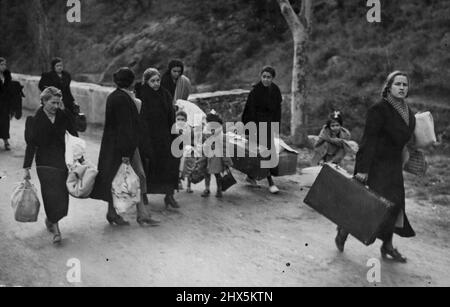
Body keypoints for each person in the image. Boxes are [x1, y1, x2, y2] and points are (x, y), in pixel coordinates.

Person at [335, 71, 416, 263]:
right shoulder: (379, 109)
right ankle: (344, 229)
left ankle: (387, 245)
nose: (402, 88)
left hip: (394, 167)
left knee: (395, 206)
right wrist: (362, 169)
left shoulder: (408, 112)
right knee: (370, 206)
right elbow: (368, 141)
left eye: (405, 84)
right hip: (375, 166)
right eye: (398, 84)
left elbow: (406, 140)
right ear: (389, 87)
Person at [91, 67, 160, 227]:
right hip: (124, 148)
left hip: (115, 147)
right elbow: (125, 128)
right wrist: (126, 153)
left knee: (117, 180)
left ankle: (119, 213)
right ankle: (138, 214)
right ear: (129, 82)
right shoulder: (122, 99)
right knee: (135, 178)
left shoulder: (115, 96)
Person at [23, 87, 78, 244]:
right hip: (45, 164)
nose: (56, 106)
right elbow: (31, 145)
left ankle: (51, 219)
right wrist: (26, 168)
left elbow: (74, 137)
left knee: (62, 195)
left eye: (58, 103)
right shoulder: (34, 119)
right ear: (44, 101)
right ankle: (56, 229)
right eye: (53, 103)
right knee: (50, 194)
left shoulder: (63, 116)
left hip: (62, 161)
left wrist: (79, 159)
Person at [135, 68, 180, 210]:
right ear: (146, 81)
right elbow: (140, 120)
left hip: (164, 137)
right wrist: (143, 139)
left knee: (169, 166)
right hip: (148, 137)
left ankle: (169, 195)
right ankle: (143, 194)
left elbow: (171, 116)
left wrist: (174, 135)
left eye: (158, 80)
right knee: (147, 167)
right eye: (152, 81)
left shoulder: (165, 94)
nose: (156, 84)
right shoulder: (141, 96)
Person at [242, 66, 282, 194]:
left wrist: (276, 128)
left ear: (272, 78)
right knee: (264, 153)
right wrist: (249, 130)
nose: (266, 79)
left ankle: (250, 176)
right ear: (261, 77)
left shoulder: (275, 90)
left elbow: (277, 111)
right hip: (256, 125)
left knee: (264, 153)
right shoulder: (255, 92)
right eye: (264, 77)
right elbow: (248, 112)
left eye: (268, 77)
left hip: (269, 124)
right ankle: (270, 182)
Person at [202, 111, 233, 198]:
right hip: (208, 153)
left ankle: (217, 189)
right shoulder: (207, 129)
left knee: (216, 173)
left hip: (216, 154)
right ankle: (208, 189)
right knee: (208, 173)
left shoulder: (218, 131)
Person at [0, 57, 23, 151]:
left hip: (5, 102)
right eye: (1, 64)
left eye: (5, 64)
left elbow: (9, 86)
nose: (4, 66)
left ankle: (6, 141)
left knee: (5, 122)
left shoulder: (7, 74)